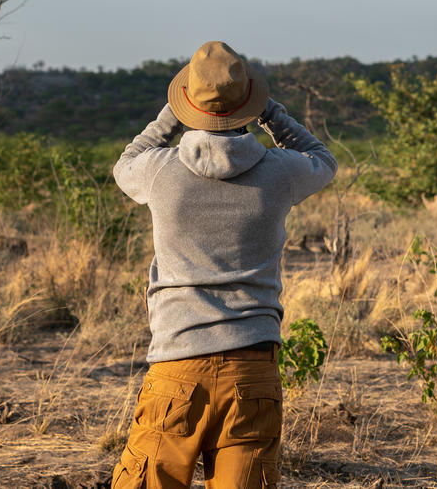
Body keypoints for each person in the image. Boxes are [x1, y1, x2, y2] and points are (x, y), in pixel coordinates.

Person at [111, 41, 337, 488]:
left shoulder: (159, 170)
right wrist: (271, 112)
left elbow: (126, 163)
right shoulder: (280, 171)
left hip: (176, 364)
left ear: (189, 103)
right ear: (248, 105)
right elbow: (323, 160)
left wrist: (170, 116)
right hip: (252, 367)